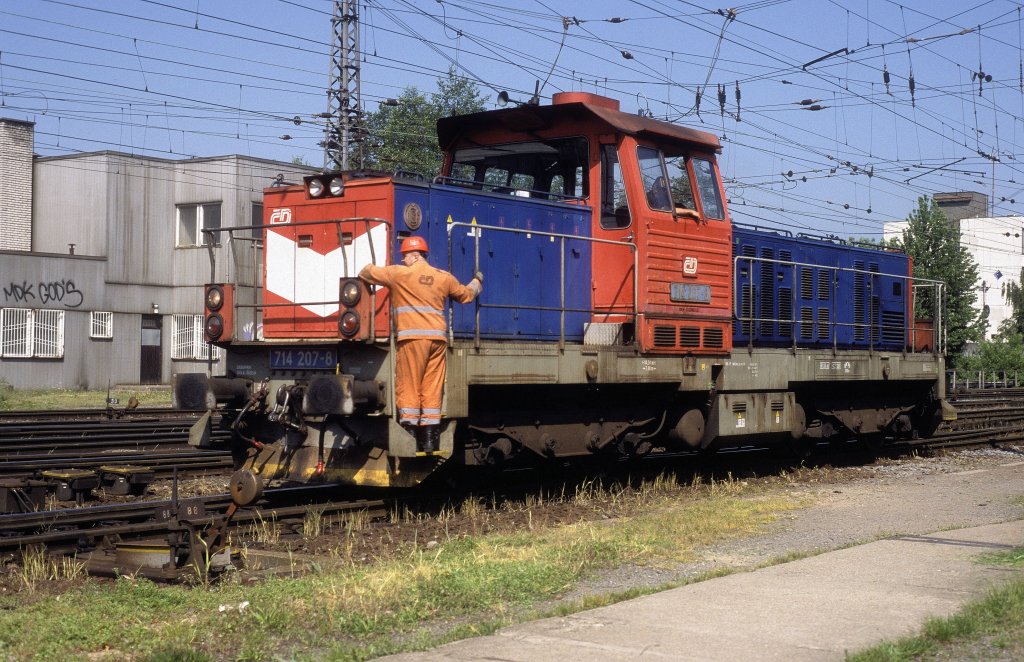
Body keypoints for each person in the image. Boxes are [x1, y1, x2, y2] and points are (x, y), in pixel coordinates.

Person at [359, 235, 483, 453]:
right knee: (432, 386)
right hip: (437, 340)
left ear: (415, 256)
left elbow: (366, 272)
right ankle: (429, 441)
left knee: (409, 384)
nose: (404, 260)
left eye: (405, 256)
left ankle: (410, 435)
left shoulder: (399, 274)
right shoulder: (443, 277)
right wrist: (477, 281)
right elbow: (466, 295)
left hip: (413, 339)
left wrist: (367, 265)